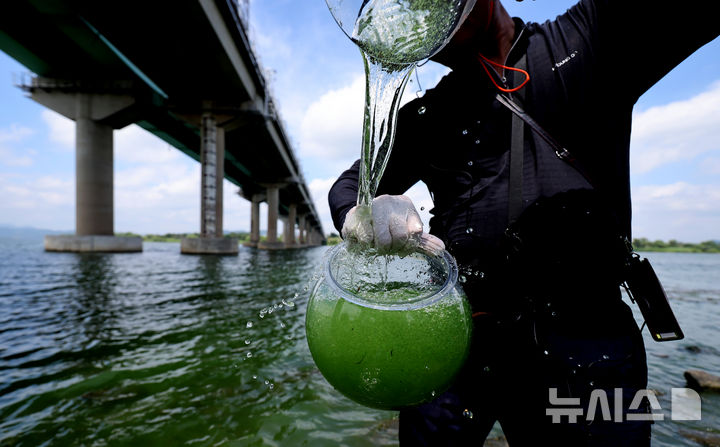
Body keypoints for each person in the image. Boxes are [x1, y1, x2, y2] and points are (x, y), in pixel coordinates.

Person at [328, 0, 720, 445]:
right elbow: (349, 183)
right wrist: (362, 212)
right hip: (455, 338)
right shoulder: (431, 113)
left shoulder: (589, 37)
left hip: (588, 342)